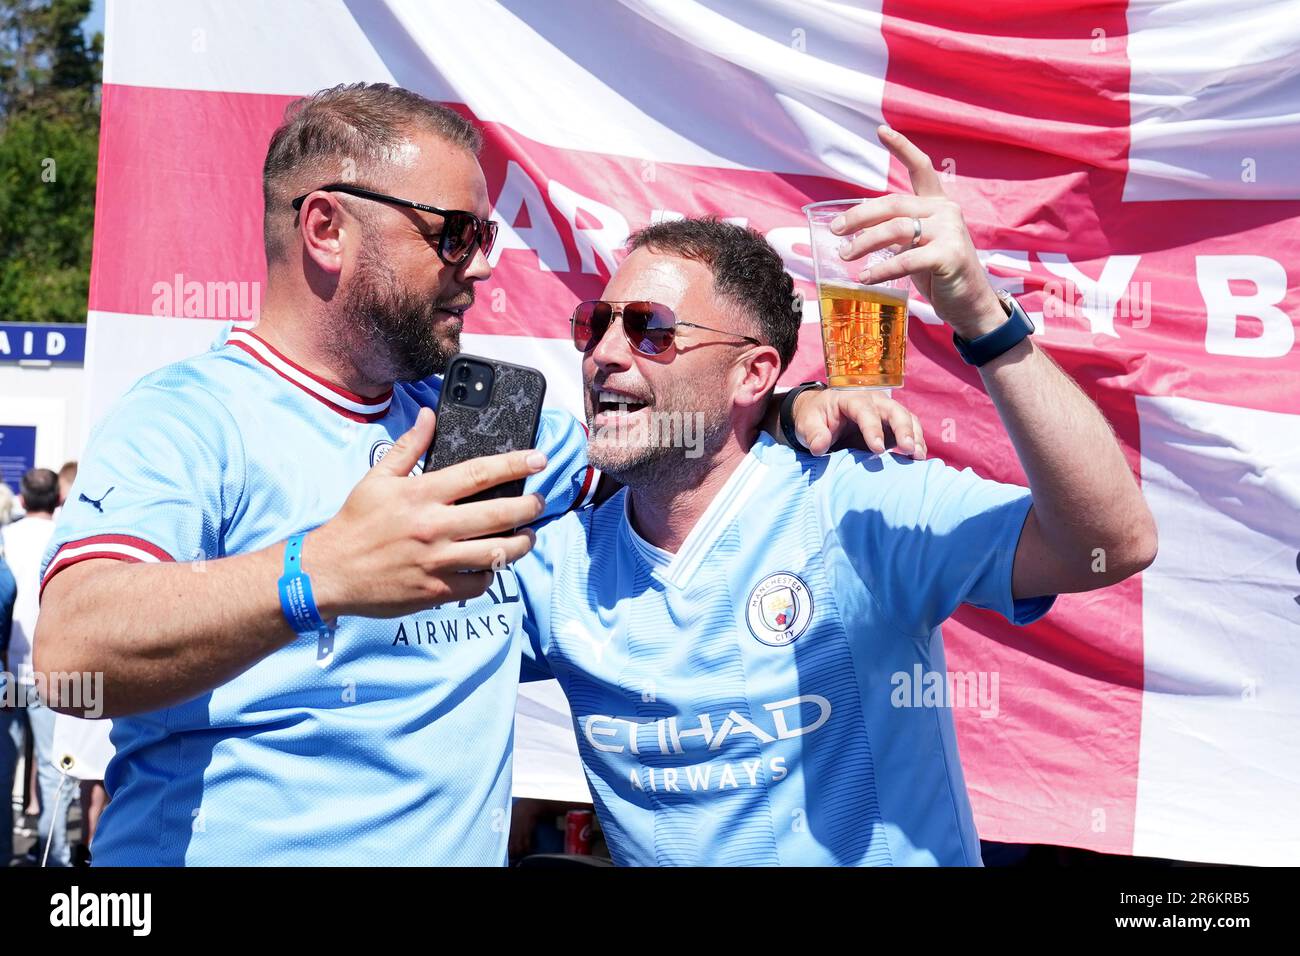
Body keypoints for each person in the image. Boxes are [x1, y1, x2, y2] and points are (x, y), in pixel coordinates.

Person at [35, 83, 924, 866]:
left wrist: (784, 404)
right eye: (457, 234)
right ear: (326, 227)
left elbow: (651, 440)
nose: (487, 263)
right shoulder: (190, 418)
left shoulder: (487, 418)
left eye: (488, 233)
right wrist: (322, 572)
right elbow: (72, 651)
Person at [517, 131, 1158, 866]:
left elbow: (1110, 544)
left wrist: (982, 316)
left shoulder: (856, 507)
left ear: (752, 375)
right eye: (596, 324)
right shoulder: (555, 561)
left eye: (649, 330)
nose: (603, 353)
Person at [5, 468, 71, 865]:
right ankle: (55, 856)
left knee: (3, 769)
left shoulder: (5, 539)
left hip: (9, 669)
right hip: (55, 670)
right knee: (52, 766)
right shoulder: (64, 538)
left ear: (24, 500)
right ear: (57, 499)